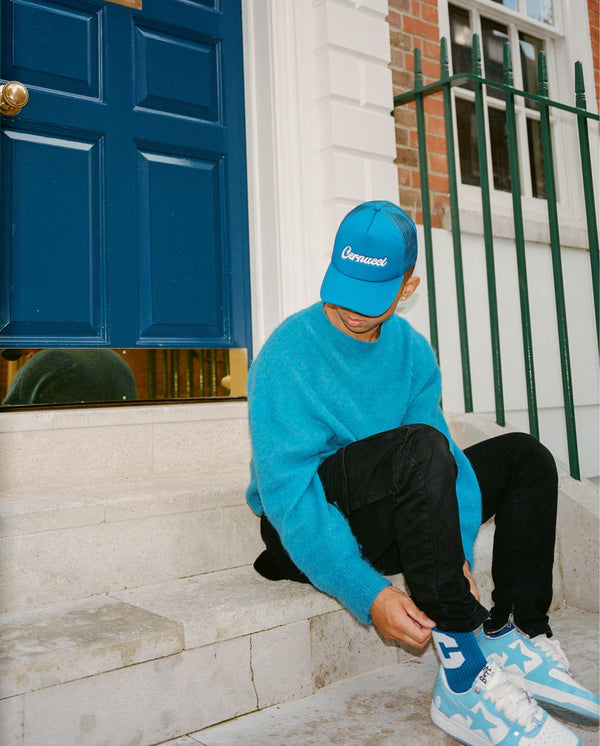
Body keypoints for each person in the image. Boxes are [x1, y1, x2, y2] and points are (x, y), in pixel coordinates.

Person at [246, 200, 599, 745]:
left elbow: (446, 462)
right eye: (344, 287)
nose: (353, 309)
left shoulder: (411, 351)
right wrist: (367, 592)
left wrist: (455, 550)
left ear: (407, 288)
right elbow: (291, 495)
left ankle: (516, 630)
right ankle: (462, 674)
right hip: (307, 520)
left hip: (399, 504)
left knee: (525, 457)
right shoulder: (285, 355)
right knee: (420, 448)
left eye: (372, 294)